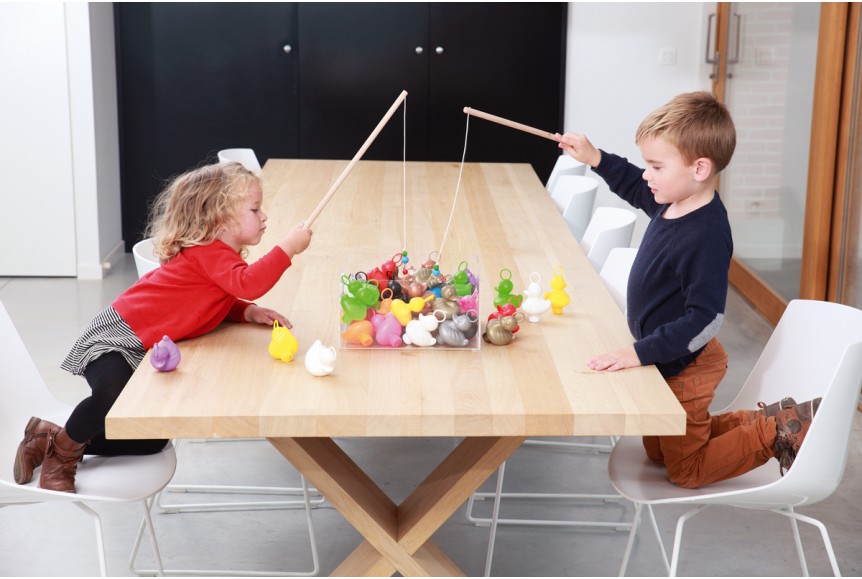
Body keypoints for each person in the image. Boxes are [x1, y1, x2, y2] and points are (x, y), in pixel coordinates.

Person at [556, 91, 819, 488]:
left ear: (699, 168)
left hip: (688, 365)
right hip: (672, 358)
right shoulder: (671, 199)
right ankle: (766, 419)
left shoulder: (706, 234)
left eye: (656, 166)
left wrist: (637, 353)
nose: (647, 174)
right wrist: (595, 157)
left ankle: (779, 433)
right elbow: (632, 184)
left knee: (685, 470)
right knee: (656, 452)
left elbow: (705, 318)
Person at [13, 161, 313, 493]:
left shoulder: (220, 254)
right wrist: (288, 248)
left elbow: (214, 297)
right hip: (118, 337)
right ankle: (62, 457)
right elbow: (248, 282)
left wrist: (247, 313)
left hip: (142, 343)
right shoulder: (210, 252)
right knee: (111, 397)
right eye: (255, 209)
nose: (264, 217)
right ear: (223, 218)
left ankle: (50, 437)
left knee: (149, 440)